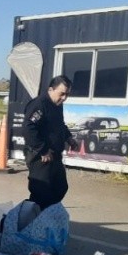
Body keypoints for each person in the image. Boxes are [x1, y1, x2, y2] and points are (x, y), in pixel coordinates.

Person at [23, 75, 79, 211]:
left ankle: (46, 217)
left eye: (67, 94)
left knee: (60, 188)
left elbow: (59, 125)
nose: (64, 98)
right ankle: (29, 223)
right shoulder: (40, 104)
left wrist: (69, 138)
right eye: (62, 94)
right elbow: (28, 127)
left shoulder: (57, 105)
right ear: (50, 89)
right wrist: (42, 149)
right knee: (40, 193)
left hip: (55, 156)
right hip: (41, 157)